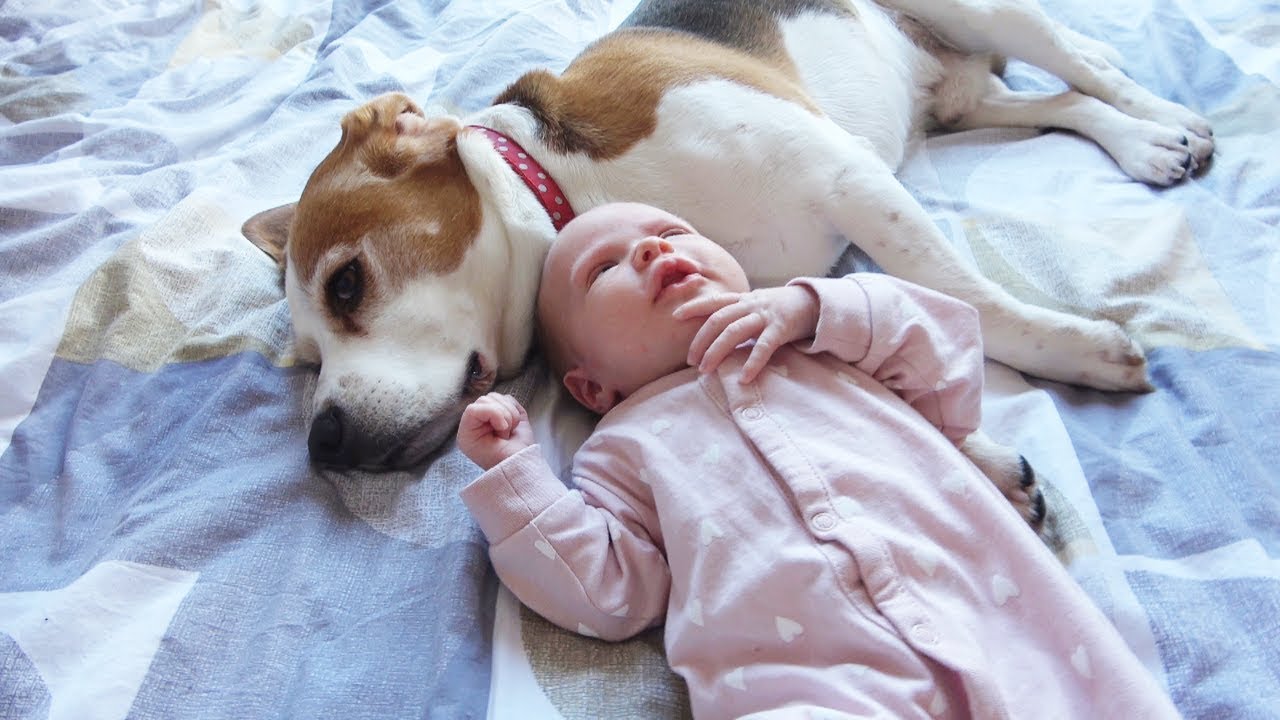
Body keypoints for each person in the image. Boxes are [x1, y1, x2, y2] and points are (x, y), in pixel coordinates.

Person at [456, 203, 1178, 719]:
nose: (649, 249)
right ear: (591, 388)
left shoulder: (825, 344)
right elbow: (610, 592)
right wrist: (517, 476)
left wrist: (811, 308)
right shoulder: (621, 447)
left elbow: (946, 360)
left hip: (994, 616)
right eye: (603, 270)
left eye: (672, 232)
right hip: (813, 682)